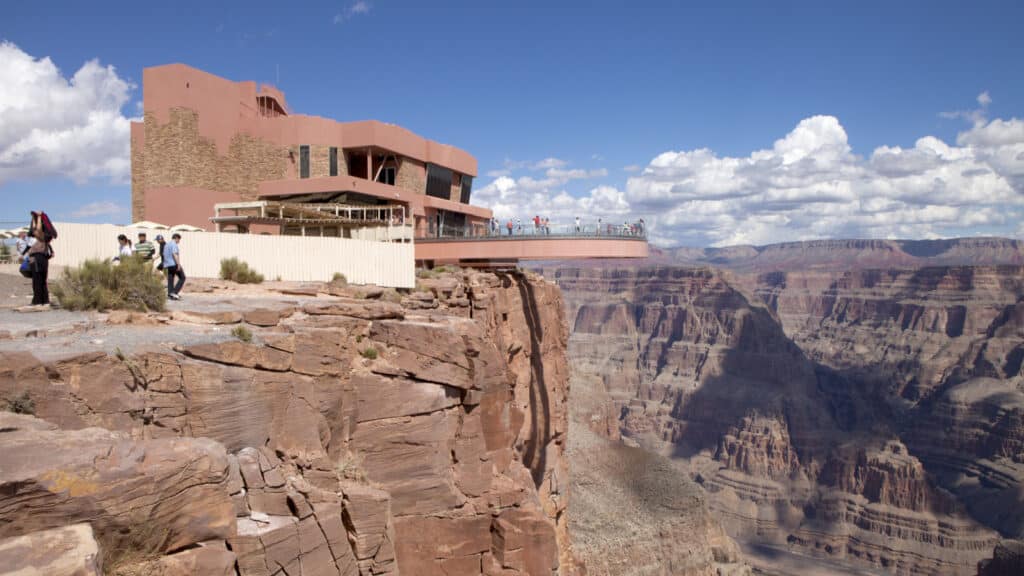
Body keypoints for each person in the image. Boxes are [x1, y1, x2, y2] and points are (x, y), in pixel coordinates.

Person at [27, 225, 51, 307]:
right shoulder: (46, 241)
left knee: (37, 281)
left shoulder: (36, 241)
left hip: (37, 261)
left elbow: (28, 251)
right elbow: (52, 254)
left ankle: (38, 301)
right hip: (44, 261)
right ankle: (45, 301)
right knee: (43, 281)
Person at [159, 234, 186, 300]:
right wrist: (178, 264)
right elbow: (174, 254)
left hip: (168, 264)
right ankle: (174, 292)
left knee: (171, 278)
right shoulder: (174, 244)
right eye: (179, 239)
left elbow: (163, 254)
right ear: (176, 238)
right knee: (182, 277)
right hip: (174, 264)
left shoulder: (167, 245)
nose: (179, 241)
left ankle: (170, 294)